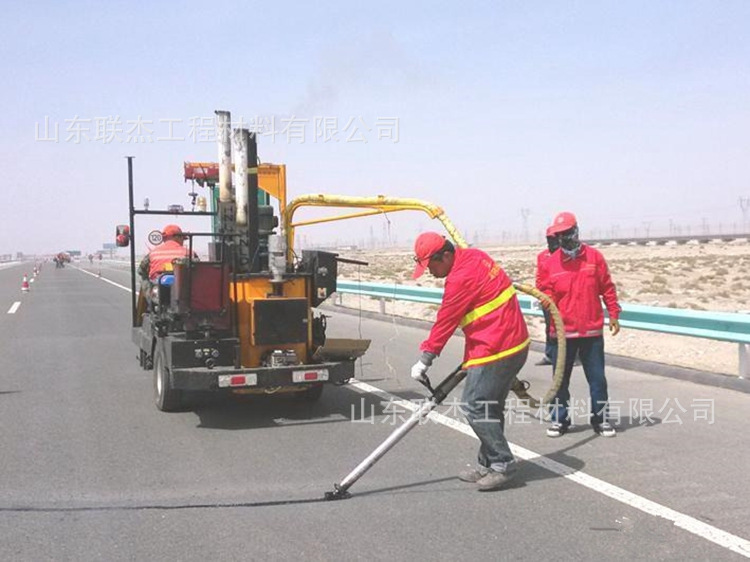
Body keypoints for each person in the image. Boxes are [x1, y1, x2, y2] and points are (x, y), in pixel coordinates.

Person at [410, 232, 530, 491]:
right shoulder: (475, 257)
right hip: (509, 342)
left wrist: (425, 359)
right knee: (489, 406)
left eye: (431, 266)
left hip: (498, 348)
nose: (430, 271)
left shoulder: (460, 278)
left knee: (474, 405)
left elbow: (446, 320)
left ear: (445, 255)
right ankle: (488, 463)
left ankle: (503, 464)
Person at [539, 212, 621, 438]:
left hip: (591, 331)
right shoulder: (551, 263)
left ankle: (601, 418)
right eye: (559, 235)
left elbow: (607, 287)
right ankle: (559, 419)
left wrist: (613, 313)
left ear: (576, 231)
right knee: (559, 381)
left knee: (597, 380)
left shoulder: (594, 258)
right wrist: (545, 299)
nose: (564, 238)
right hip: (563, 334)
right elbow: (544, 290)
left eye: (567, 233)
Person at [534, 226, 560, 366]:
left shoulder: (564, 255)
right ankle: (550, 354)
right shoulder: (542, 256)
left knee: (566, 328)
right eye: (549, 238)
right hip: (547, 298)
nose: (552, 241)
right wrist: (542, 294)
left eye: (554, 238)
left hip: (563, 298)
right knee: (550, 327)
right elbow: (539, 278)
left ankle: (572, 355)